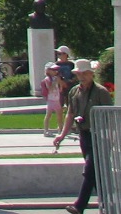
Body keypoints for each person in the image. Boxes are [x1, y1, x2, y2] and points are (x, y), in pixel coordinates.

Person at [54, 58, 111, 214]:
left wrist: (111, 138)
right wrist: (62, 135)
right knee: (95, 173)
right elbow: (70, 114)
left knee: (89, 170)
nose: (82, 77)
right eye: (79, 74)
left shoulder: (101, 92)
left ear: (92, 74)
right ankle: (108, 204)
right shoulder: (74, 91)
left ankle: (79, 206)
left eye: (85, 73)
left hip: (100, 135)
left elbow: (110, 115)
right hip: (84, 135)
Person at [38, 63, 66, 137]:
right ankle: (46, 130)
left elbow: (61, 88)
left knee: (59, 115)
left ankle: (60, 129)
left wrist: (60, 83)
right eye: (53, 70)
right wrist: (55, 81)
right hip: (50, 100)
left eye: (56, 70)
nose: (55, 71)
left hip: (56, 99)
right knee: (48, 115)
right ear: (48, 71)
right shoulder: (47, 79)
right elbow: (50, 88)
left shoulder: (56, 78)